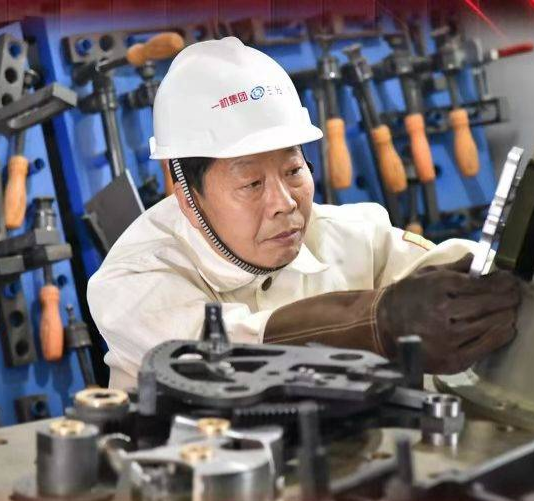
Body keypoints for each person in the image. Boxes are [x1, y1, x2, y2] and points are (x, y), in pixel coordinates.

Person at [87, 37, 520, 390]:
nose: (285, 202)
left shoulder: (352, 235)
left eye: (293, 170)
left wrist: (501, 279)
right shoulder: (133, 281)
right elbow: (228, 354)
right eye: (251, 184)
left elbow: (453, 273)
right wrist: (379, 323)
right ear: (187, 194)